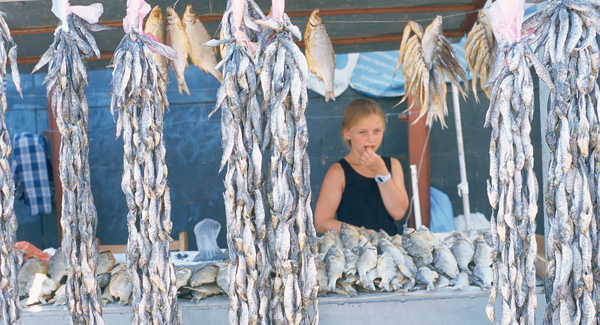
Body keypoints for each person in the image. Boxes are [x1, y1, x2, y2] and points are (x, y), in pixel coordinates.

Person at [314, 99, 409, 235]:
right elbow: (321, 222)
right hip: (353, 252)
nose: (371, 139)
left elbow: (399, 212)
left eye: (377, 131)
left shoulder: (393, 165)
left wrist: (381, 171)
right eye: (363, 132)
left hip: (389, 250)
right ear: (347, 133)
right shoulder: (338, 171)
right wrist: (362, 233)